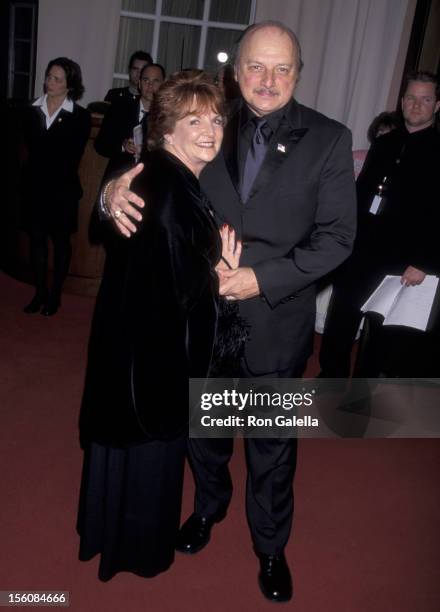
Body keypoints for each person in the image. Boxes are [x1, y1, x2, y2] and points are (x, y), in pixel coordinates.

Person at [101, 21, 356, 602]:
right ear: (235, 72)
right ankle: (208, 508)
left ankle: (269, 545)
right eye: (256, 67)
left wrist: (260, 279)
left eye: (282, 68)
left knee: (270, 446)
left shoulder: (329, 139)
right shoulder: (208, 123)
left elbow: (338, 239)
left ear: (297, 73)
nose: (268, 80)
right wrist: (109, 190)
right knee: (206, 431)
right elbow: (150, 171)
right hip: (202, 321)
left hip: (275, 320)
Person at [78, 70, 243, 581]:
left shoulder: (163, 175)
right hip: (155, 364)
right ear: (166, 127)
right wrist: (223, 277)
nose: (210, 129)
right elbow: (177, 289)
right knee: (149, 464)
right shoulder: (168, 186)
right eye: (194, 119)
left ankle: (108, 534)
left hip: (130, 352)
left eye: (215, 118)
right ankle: (136, 550)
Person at [319, 71, 440, 379]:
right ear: (401, 102)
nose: (416, 105)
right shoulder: (384, 143)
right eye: (410, 98)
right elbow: (360, 196)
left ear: (436, 106)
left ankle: (360, 406)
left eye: (425, 99)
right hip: (360, 253)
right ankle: (329, 387)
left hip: (402, 264)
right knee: (338, 326)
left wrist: (424, 262)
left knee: (380, 341)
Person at [21, 57, 91, 316]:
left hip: (62, 190)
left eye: (57, 78)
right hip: (34, 187)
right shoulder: (31, 110)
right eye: (49, 76)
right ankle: (39, 291)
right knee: (36, 240)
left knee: (61, 243)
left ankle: (55, 295)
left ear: (70, 85)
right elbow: (31, 146)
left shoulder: (80, 116)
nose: (50, 82)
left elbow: (71, 154)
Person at [95, 63, 165, 177]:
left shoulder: (166, 116)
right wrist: (123, 146)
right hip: (118, 178)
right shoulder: (120, 108)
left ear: (163, 85)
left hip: (150, 181)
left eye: (156, 81)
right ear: (139, 83)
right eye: (146, 80)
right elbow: (100, 145)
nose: (150, 85)